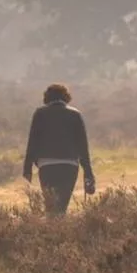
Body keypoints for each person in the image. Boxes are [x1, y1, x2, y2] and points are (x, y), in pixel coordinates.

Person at [21, 83, 96, 216]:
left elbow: (32, 142)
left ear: (47, 98)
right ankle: (60, 230)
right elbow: (83, 146)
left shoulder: (40, 114)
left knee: (50, 205)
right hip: (69, 165)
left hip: (47, 165)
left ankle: (52, 231)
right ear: (66, 97)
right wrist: (88, 173)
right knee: (62, 205)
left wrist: (27, 168)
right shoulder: (75, 115)